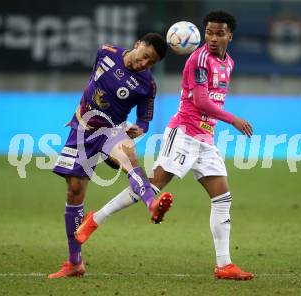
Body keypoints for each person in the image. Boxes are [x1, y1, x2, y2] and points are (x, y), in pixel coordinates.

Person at [76, 11, 255, 281]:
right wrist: (233, 119)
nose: (213, 38)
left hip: (206, 138)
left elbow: (213, 104)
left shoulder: (228, 63)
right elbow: (202, 102)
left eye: (219, 33)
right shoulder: (198, 60)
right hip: (183, 133)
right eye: (209, 33)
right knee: (153, 187)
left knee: (222, 199)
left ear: (230, 35)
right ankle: (95, 219)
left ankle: (224, 265)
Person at [48, 33, 174, 278]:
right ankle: (75, 263)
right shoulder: (105, 52)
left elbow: (144, 121)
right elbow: (93, 83)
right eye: (145, 57)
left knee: (128, 159)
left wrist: (138, 129)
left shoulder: (148, 84)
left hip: (112, 130)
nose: (145, 64)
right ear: (138, 45)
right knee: (74, 191)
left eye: (151, 63)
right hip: (82, 130)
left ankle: (152, 204)